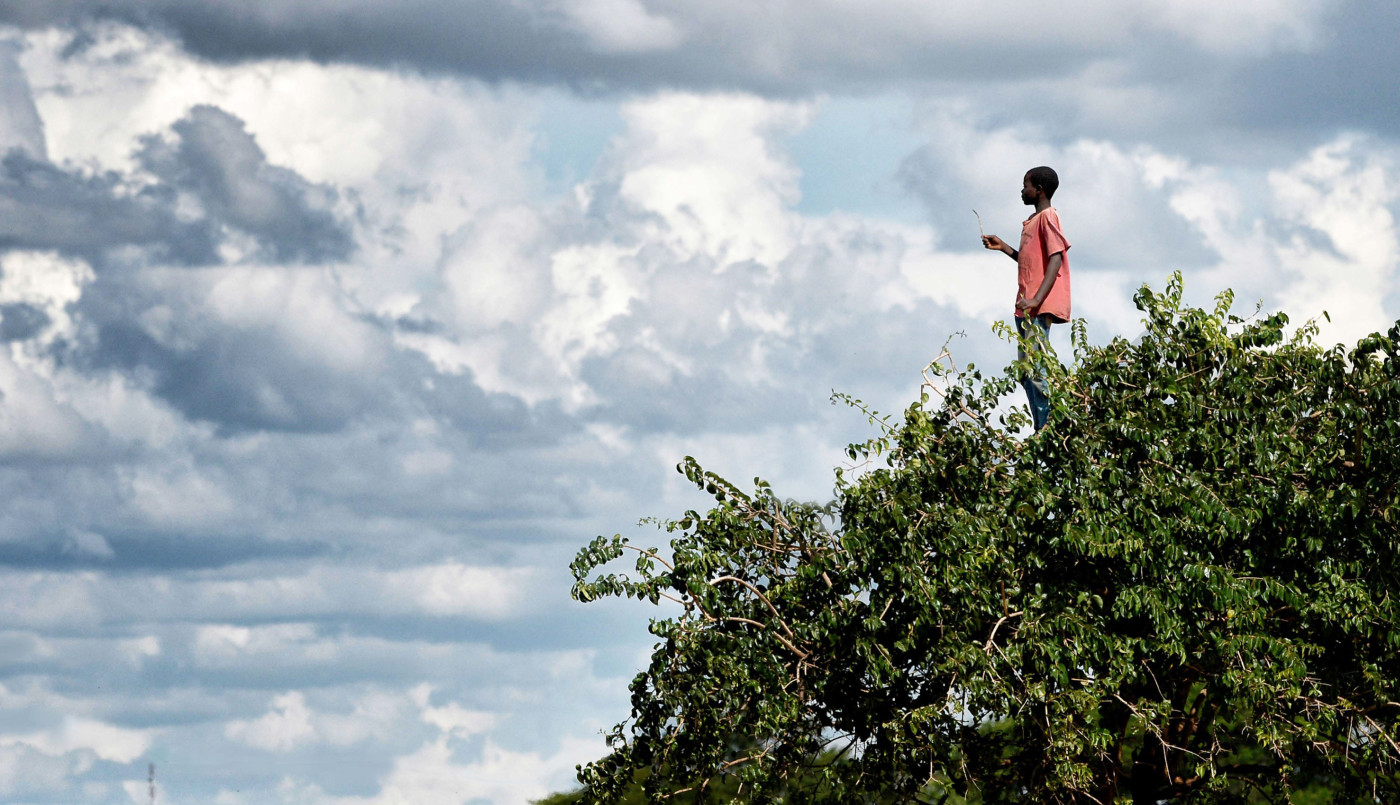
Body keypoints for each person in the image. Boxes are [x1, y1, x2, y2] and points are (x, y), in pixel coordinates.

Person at [981, 166, 1071, 432]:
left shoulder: (1048, 217)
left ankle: (1048, 426)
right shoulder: (1034, 220)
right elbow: (1031, 262)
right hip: (1025, 308)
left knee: (1036, 369)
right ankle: (1040, 426)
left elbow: (1056, 258)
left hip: (1036, 308)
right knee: (1025, 372)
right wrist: (1004, 248)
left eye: (1026, 186)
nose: (1022, 191)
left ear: (1039, 190)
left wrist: (1036, 300)